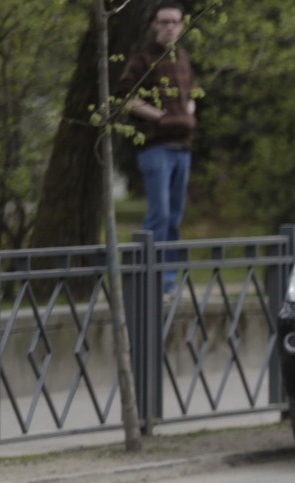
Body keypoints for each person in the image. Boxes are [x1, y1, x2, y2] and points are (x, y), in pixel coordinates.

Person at [116, 1, 198, 294]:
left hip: (182, 147)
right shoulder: (143, 59)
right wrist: (159, 116)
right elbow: (125, 98)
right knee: (159, 214)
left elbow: (192, 93)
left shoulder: (183, 57)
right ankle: (146, 278)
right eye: (163, 22)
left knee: (174, 216)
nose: (168, 27)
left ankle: (166, 281)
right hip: (155, 147)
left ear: (182, 25)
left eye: (174, 22)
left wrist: (188, 111)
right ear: (154, 25)